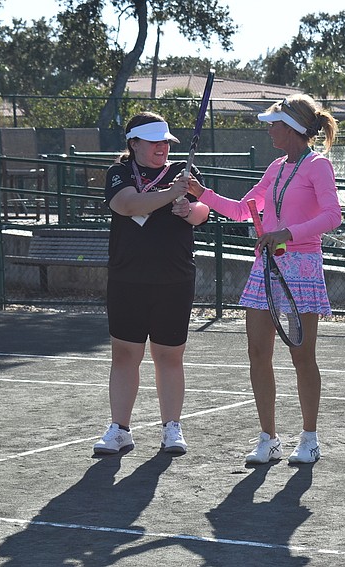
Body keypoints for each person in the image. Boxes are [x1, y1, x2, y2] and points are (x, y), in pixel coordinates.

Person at [186, 94, 342, 464]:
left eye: (275, 124)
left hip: (301, 266)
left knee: (302, 356)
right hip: (265, 268)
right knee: (257, 353)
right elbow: (244, 210)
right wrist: (201, 193)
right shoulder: (275, 167)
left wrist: (287, 233)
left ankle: (309, 438)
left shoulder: (317, 166)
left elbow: (333, 215)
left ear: (293, 129)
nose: (269, 129)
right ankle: (269, 439)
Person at [93, 111, 210, 456]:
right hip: (127, 278)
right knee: (125, 354)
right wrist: (170, 194)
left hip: (174, 278)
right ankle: (120, 429)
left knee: (169, 356)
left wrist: (187, 209)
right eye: (154, 141)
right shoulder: (118, 173)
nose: (162, 147)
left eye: (165, 142)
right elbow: (127, 204)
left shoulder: (181, 173)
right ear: (134, 143)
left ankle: (172, 428)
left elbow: (203, 211)